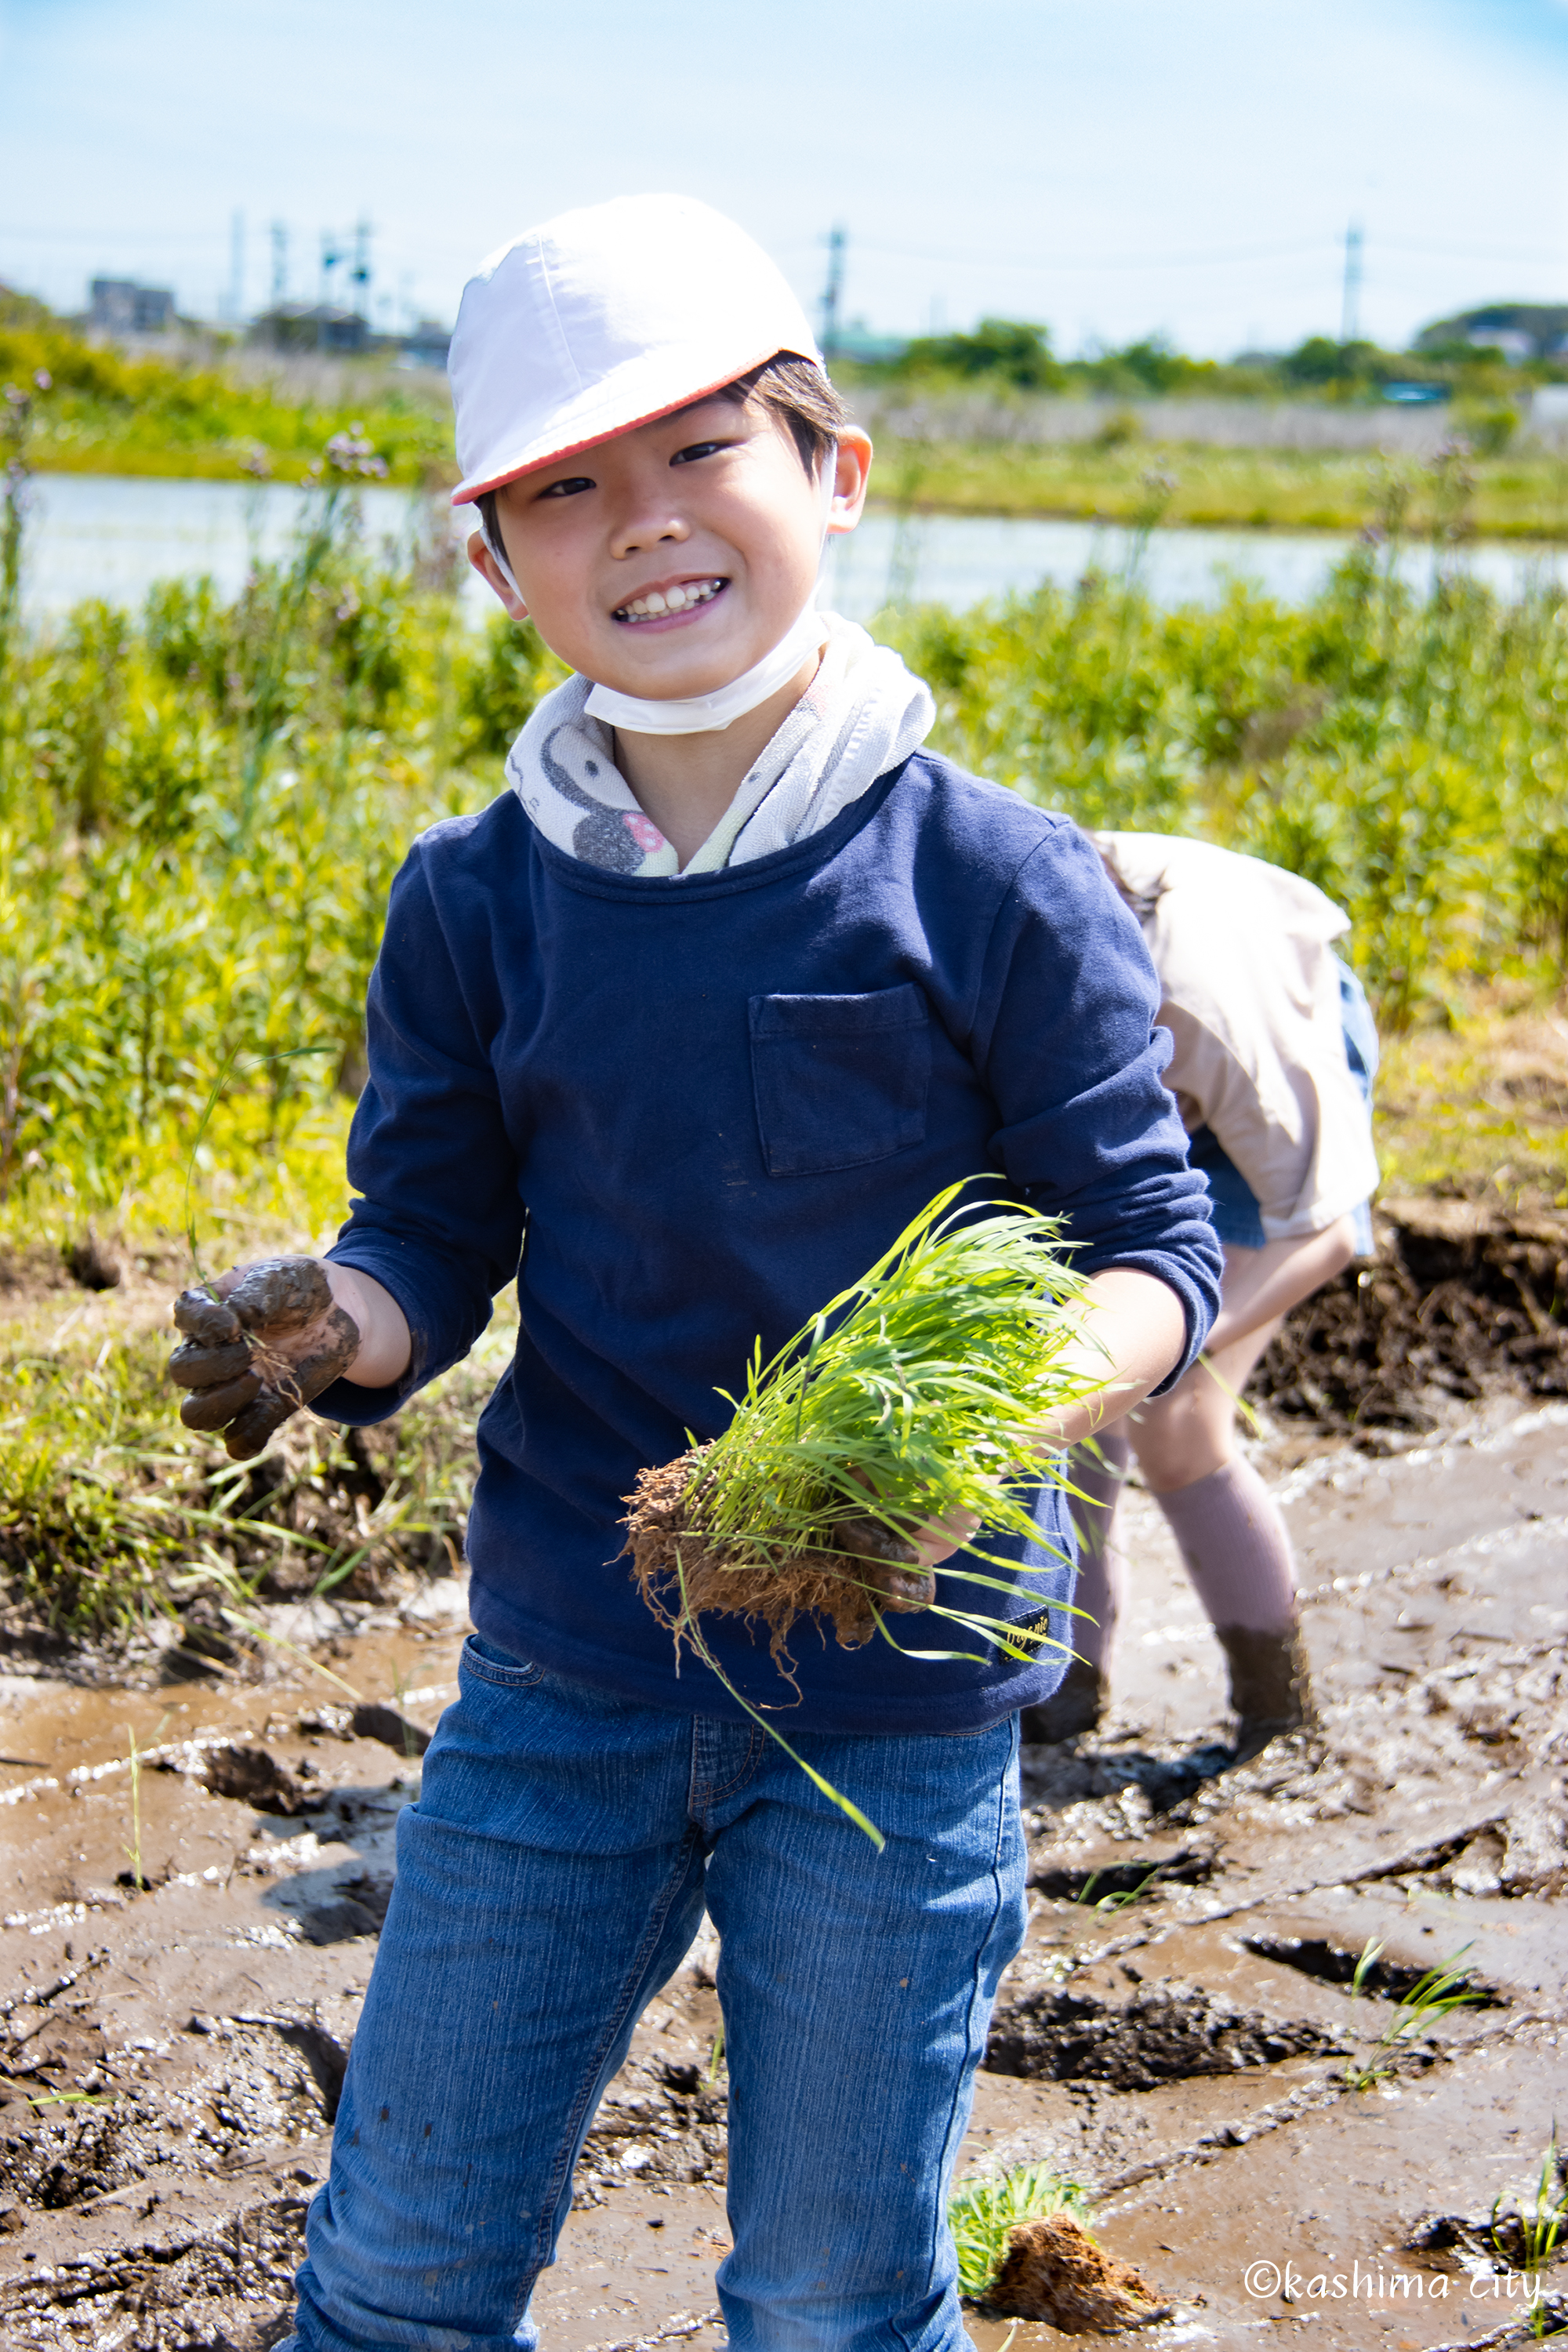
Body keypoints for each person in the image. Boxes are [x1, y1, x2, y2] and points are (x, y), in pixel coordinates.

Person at [166, 196, 1222, 2352]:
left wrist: (981, 1420)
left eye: (697, 454)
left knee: (833, 2296)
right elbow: (433, 1238)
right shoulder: (475, 901)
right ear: (493, 560)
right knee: (392, 2279)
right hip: (568, 1676)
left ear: (833, 475)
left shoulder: (993, 881)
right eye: (564, 486)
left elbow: (1151, 1249)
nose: (638, 523)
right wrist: (331, 1328)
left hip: (900, 1701)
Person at [1020, 831, 1379, 1759]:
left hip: (1262, 1094)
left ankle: (1277, 1715)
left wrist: (1181, 1332)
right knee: (1071, 1397)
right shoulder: (1011, 956)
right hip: (1135, 1091)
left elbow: (1326, 1226)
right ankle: (1065, 1690)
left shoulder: (1219, 1017)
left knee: (1176, 1416)